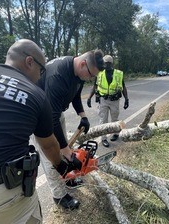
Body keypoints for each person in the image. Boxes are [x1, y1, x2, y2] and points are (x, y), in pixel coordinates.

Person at [0, 39, 77, 224]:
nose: (40, 76)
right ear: (30, 62)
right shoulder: (34, 93)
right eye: (41, 70)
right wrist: (61, 166)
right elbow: (49, 146)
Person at [35, 49, 104, 210]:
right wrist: (65, 150)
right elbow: (50, 119)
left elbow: (75, 96)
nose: (90, 79)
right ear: (82, 64)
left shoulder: (79, 74)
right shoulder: (57, 76)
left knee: (65, 147)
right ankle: (59, 196)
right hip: (40, 117)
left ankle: (68, 177)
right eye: (90, 75)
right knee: (52, 157)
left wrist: (83, 115)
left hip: (55, 113)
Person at [87, 55, 129, 147]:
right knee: (103, 120)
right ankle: (103, 138)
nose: (107, 65)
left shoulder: (118, 73)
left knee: (114, 119)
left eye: (109, 63)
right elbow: (95, 86)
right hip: (103, 100)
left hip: (115, 100)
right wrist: (89, 97)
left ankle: (115, 134)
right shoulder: (99, 73)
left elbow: (123, 86)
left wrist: (126, 99)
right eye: (105, 63)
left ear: (112, 63)